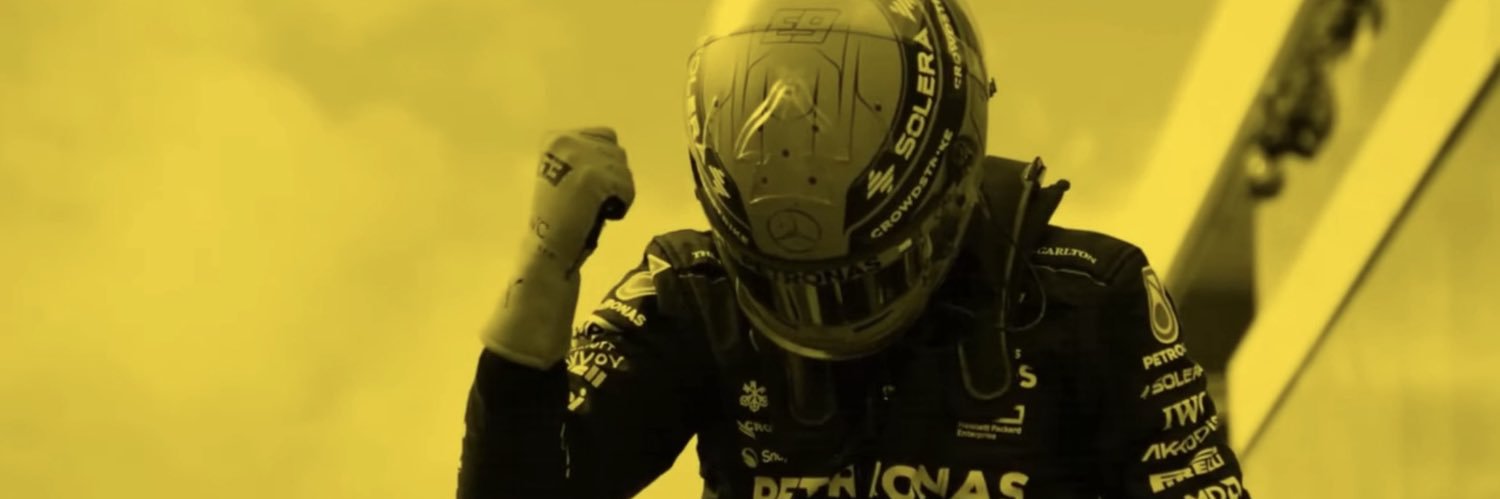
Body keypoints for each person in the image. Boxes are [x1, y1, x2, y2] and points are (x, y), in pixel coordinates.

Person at [457, 0, 1251, 497]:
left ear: (954, 174)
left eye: (863, 280)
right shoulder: (691, 295)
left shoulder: (1093, 299)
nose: (824, 314)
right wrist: (545, 264)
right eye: (783, 285)